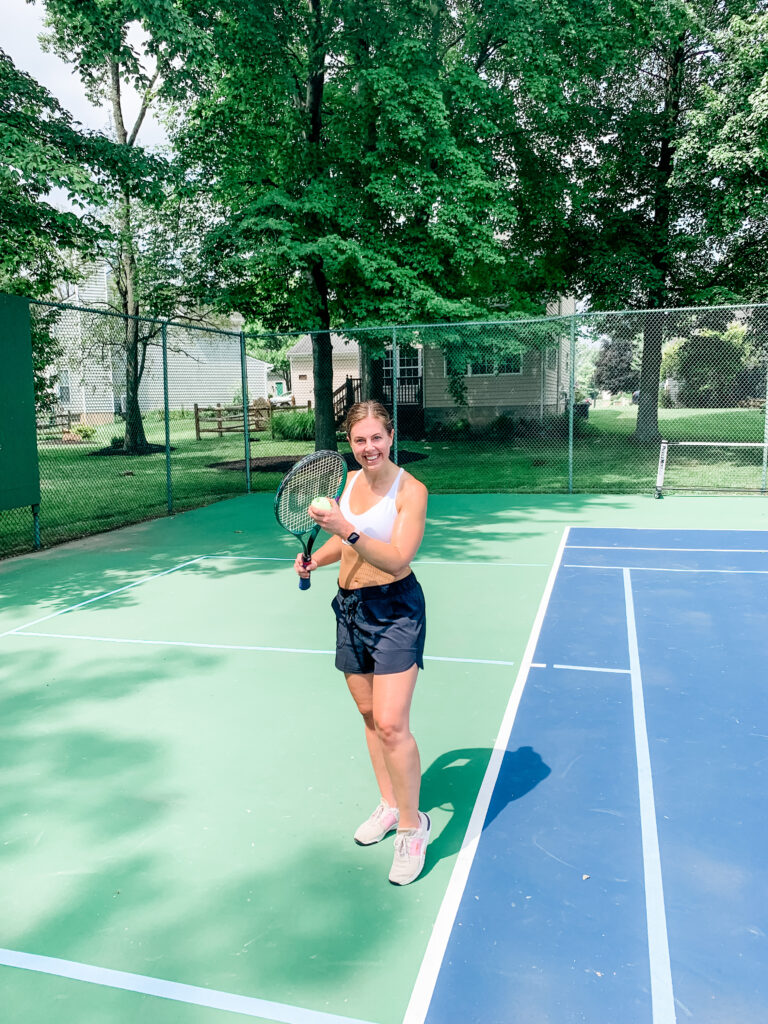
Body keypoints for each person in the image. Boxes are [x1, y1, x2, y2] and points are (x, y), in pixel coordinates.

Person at [294, 400, 430, 885]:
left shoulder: (411, 490)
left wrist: (346, 530)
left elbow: (396, 558)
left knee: (393, 724)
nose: (368, 448)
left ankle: (414, 828)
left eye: (376, 437)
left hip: (395, 609)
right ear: (349, 445)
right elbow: (338, 545)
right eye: (358, 440)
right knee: (370, 717)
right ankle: (391, 804)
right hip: (350, 610)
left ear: (390, 437)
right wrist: (316, 559)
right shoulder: (348, 484)